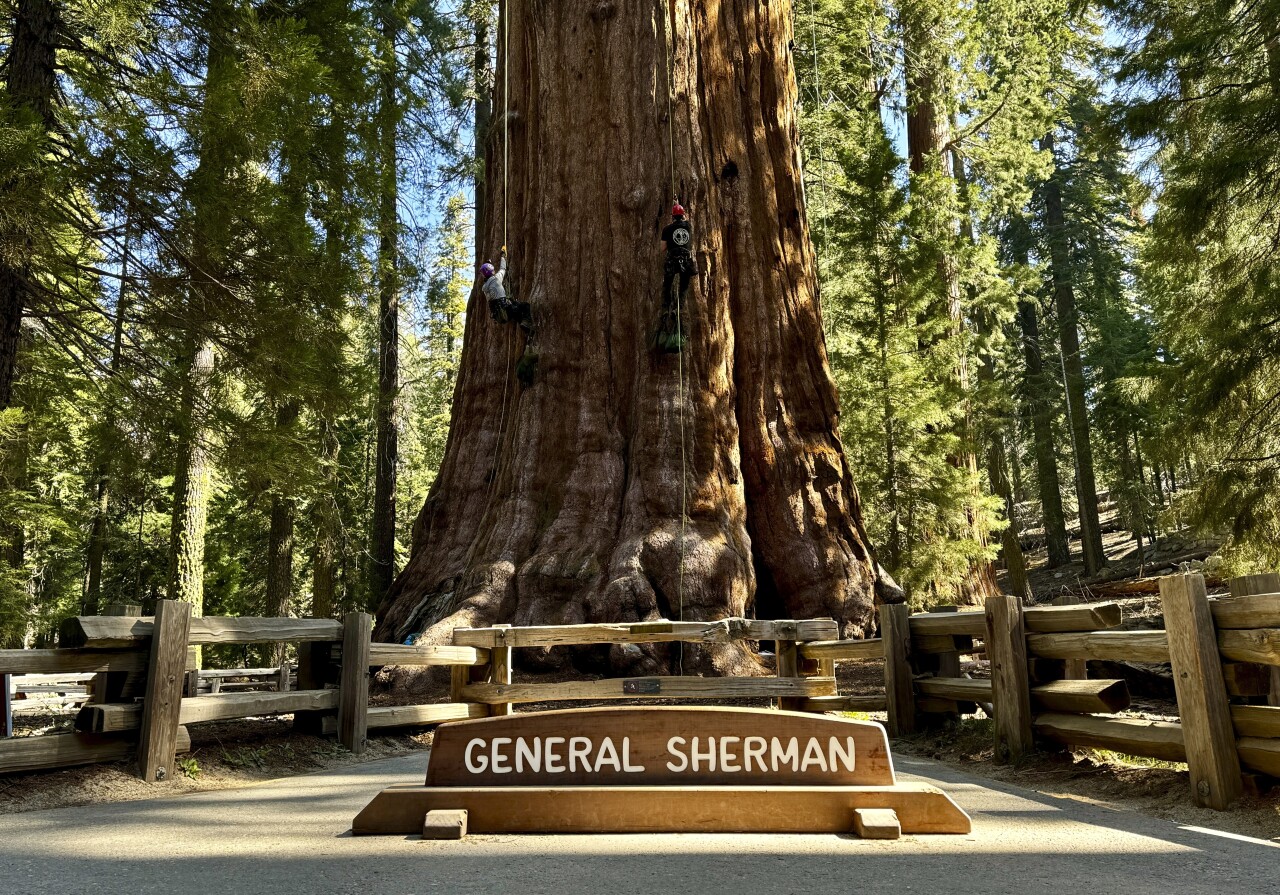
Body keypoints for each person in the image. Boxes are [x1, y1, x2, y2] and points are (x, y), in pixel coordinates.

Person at [481, 246, 531, 331]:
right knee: (525, 306)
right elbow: (503, 269)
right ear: (492, 272)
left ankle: (526, 329)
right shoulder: (496, 279)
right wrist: (503, 256)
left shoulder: (485, 287)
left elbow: (487, 276)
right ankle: (527, 323)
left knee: (517, 312)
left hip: (498, 316)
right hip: (506, 311)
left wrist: (487, 265)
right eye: (493, 270)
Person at [660, 203, 694, 309]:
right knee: (684, 287)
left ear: (672, 216)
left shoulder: (667, 229)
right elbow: (685, 220)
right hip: (686, 260)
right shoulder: (688, 226)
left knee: (667, 285)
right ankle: (680, 308)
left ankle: (666, 306)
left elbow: (662, 248)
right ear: (683, 215)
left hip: (673, 260)